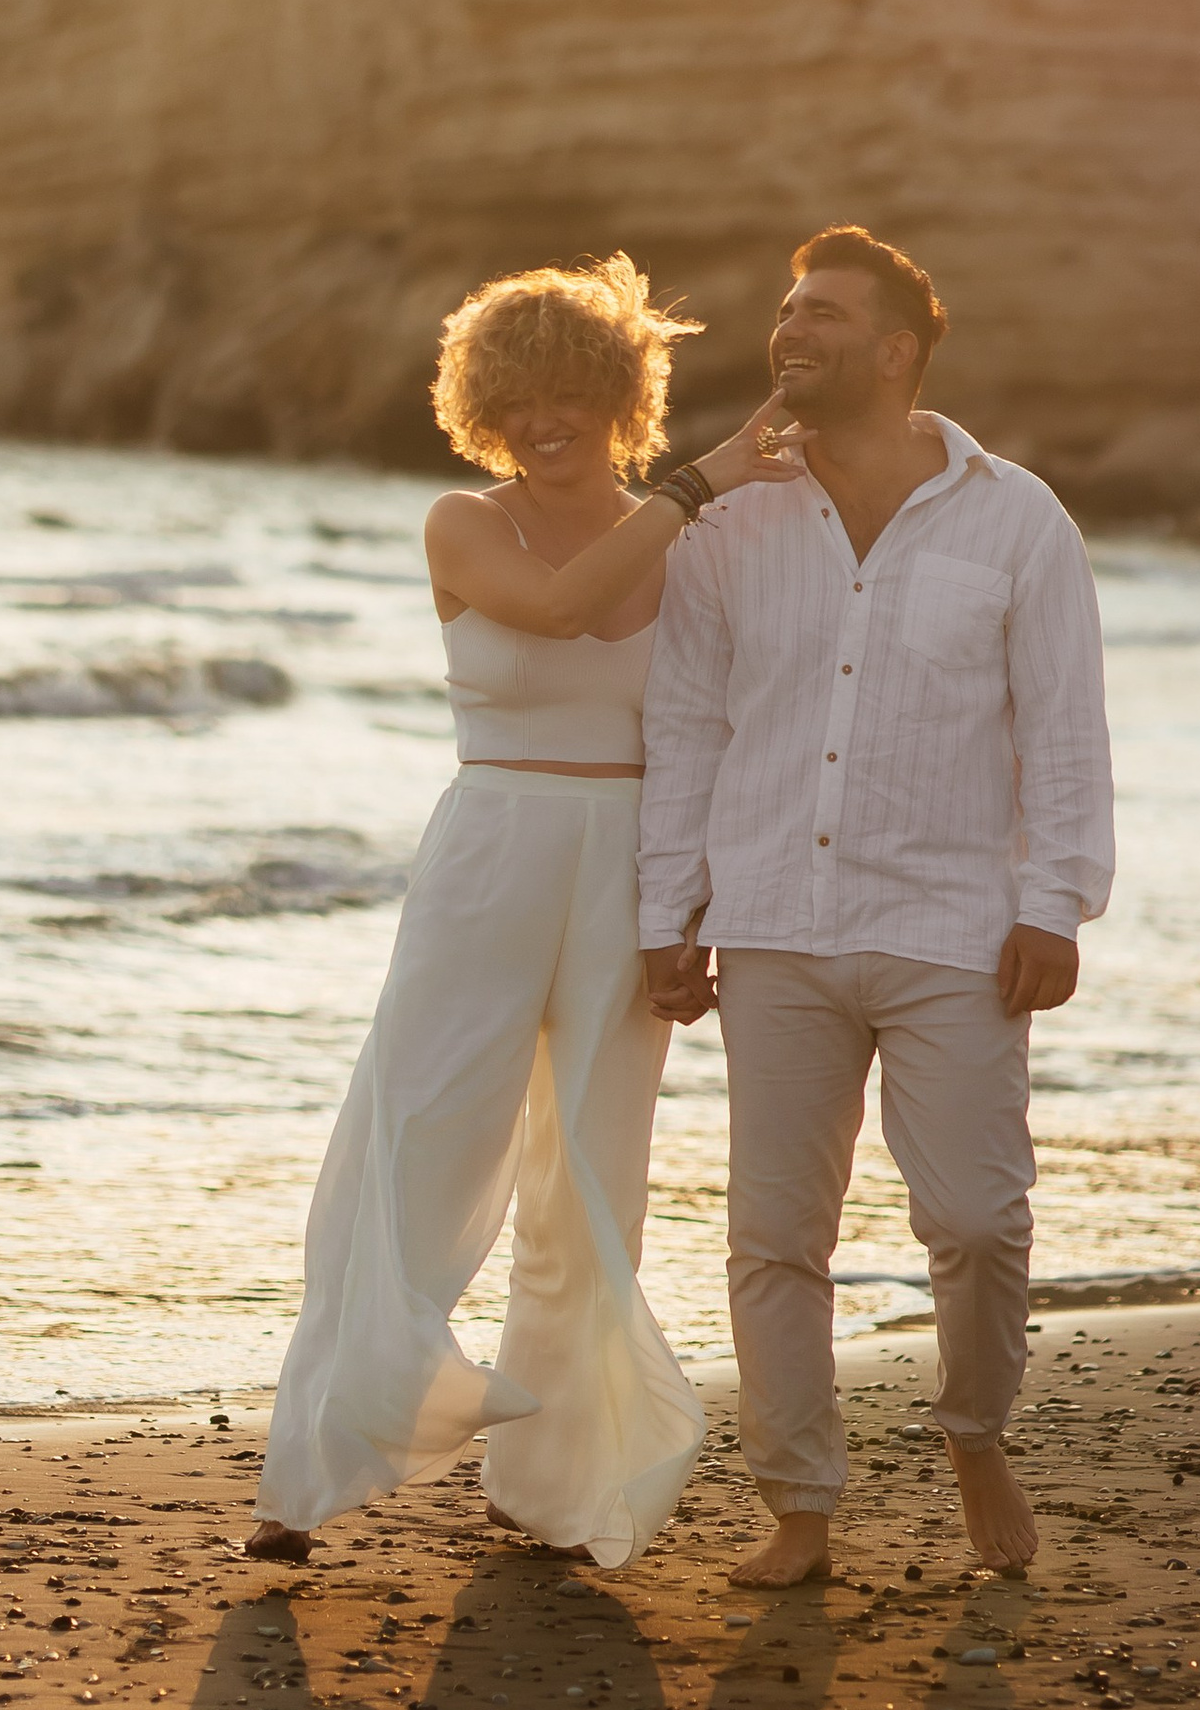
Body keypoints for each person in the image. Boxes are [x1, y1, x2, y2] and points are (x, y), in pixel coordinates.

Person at [247, 256, 803, 1571]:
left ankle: (553, 1485)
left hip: (632, 866)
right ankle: (312, 1466)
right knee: (421, 1130)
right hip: (491, 851)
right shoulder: (465, 524)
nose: (545, 421)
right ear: (482, 407)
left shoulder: (694, 539)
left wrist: (697, 912)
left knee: (594, 1173)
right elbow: (562, 608)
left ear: (618, 397)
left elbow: (727, 735)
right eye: (519, 399)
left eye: (571, 393)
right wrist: (700, 481)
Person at [639, 226, 1115, 1586]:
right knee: (773, 1236)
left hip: (957, 932)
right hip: (775, 924)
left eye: (827, 314)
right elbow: (684, 727)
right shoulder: (727, 520)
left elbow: (1063, 730)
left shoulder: (1016, 518)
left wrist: (1057, 903)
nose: (793, 331)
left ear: (897, 351)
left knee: (974, 1218)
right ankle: (800, 1504)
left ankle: (974, 1434)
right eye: (787, 309)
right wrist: (666, 912)